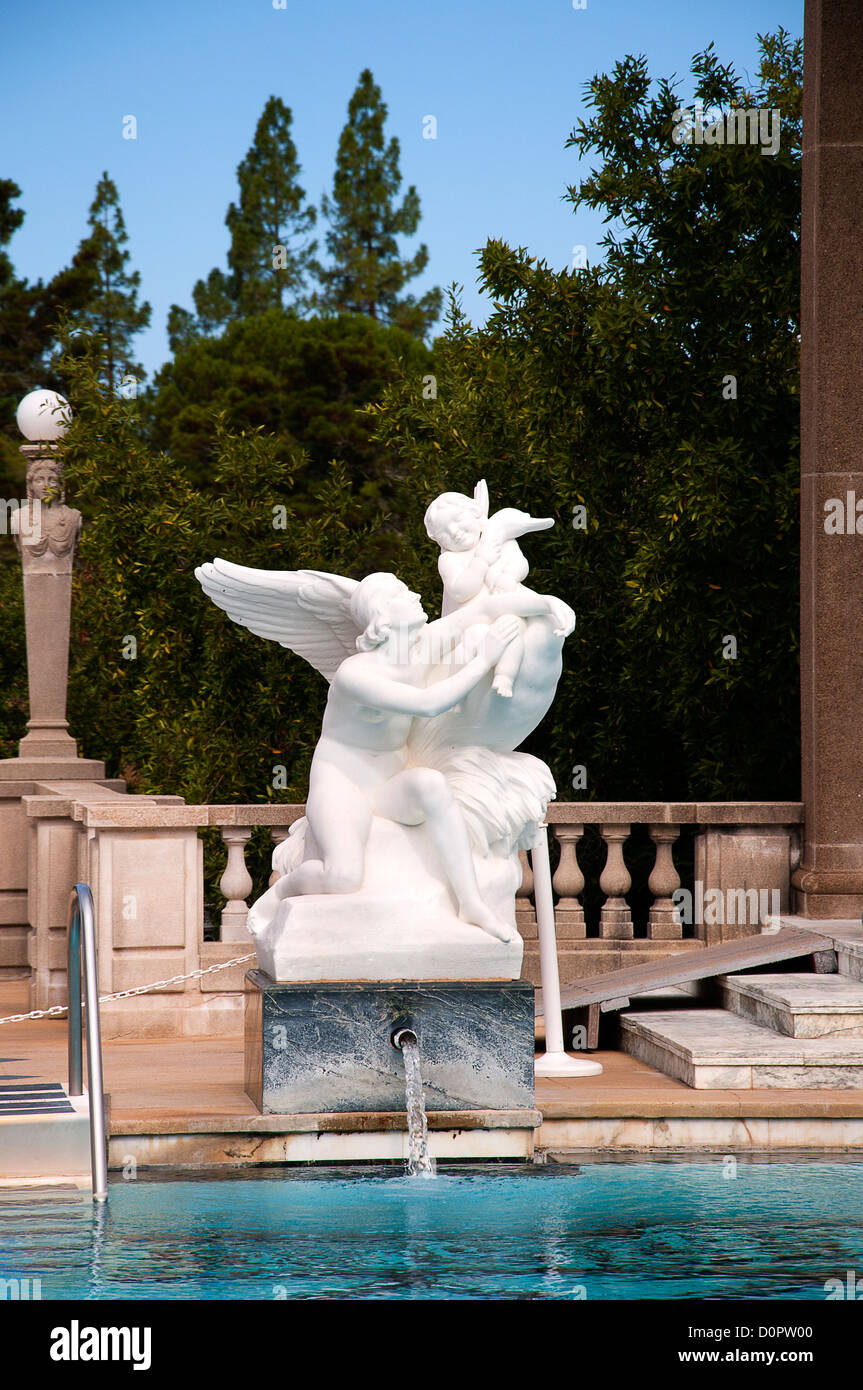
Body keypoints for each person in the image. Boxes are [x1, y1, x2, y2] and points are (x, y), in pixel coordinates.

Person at [246, 572, 526, 942]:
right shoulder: (355, 673)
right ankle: (282, 890)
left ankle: (471, 902)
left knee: (432, 785)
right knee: (342, 877)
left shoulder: (423, 647)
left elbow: (484, 608)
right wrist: (483, 660)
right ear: (383, 614)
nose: (415, 594)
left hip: (388, 783)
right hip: (343, 784)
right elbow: (428, 704)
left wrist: (552, 609)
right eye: (402, 593)